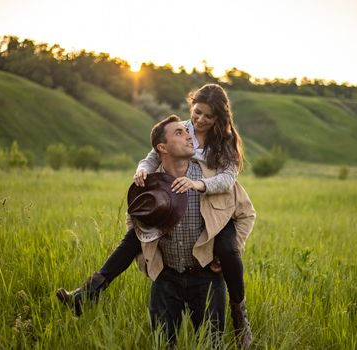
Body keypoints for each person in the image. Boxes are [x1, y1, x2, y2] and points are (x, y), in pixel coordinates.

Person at [56, 84, 254, 347]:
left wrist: (199, 185)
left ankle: (239, 311)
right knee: (135, 236)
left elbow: (228, 179)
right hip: (174, 198)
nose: (200, 120)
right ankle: (88, 292)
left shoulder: (225, 140)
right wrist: (141, 171)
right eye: (197, 112)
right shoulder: (182, 130)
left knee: (228, 251)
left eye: (208, 116)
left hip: (214, 201)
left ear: (219, 117)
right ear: (191, 107)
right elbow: (152, 155)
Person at [131, 115, 255, 344]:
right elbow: (135, 223)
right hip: (165, 280)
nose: (189, 134)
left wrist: (229, 253)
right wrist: (147, 262)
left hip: (207, 279)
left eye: (186, 132)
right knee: (162, 344)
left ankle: (240, 312)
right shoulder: (149, 181)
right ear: (162, 147)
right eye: (180, 132)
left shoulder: (213, 177)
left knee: (211, 344)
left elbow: (246, 214)